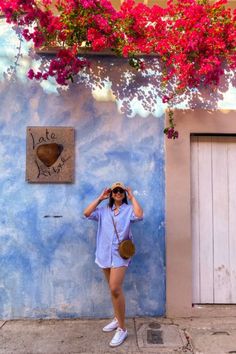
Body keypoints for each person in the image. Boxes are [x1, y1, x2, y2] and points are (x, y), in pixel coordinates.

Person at [83, 181, 143, 347]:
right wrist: (100, 198)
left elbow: (139, 215)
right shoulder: (103, 211)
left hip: (119, 256)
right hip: (104, 254)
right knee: (112, 288)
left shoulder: (128, 210)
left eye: (121, 191)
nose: (118, 193)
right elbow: (86, 213)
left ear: (124, 194)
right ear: (111, 194)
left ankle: (122, 329)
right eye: (115, 191)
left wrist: (132, 197)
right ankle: (117, 318)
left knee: (115, 288)